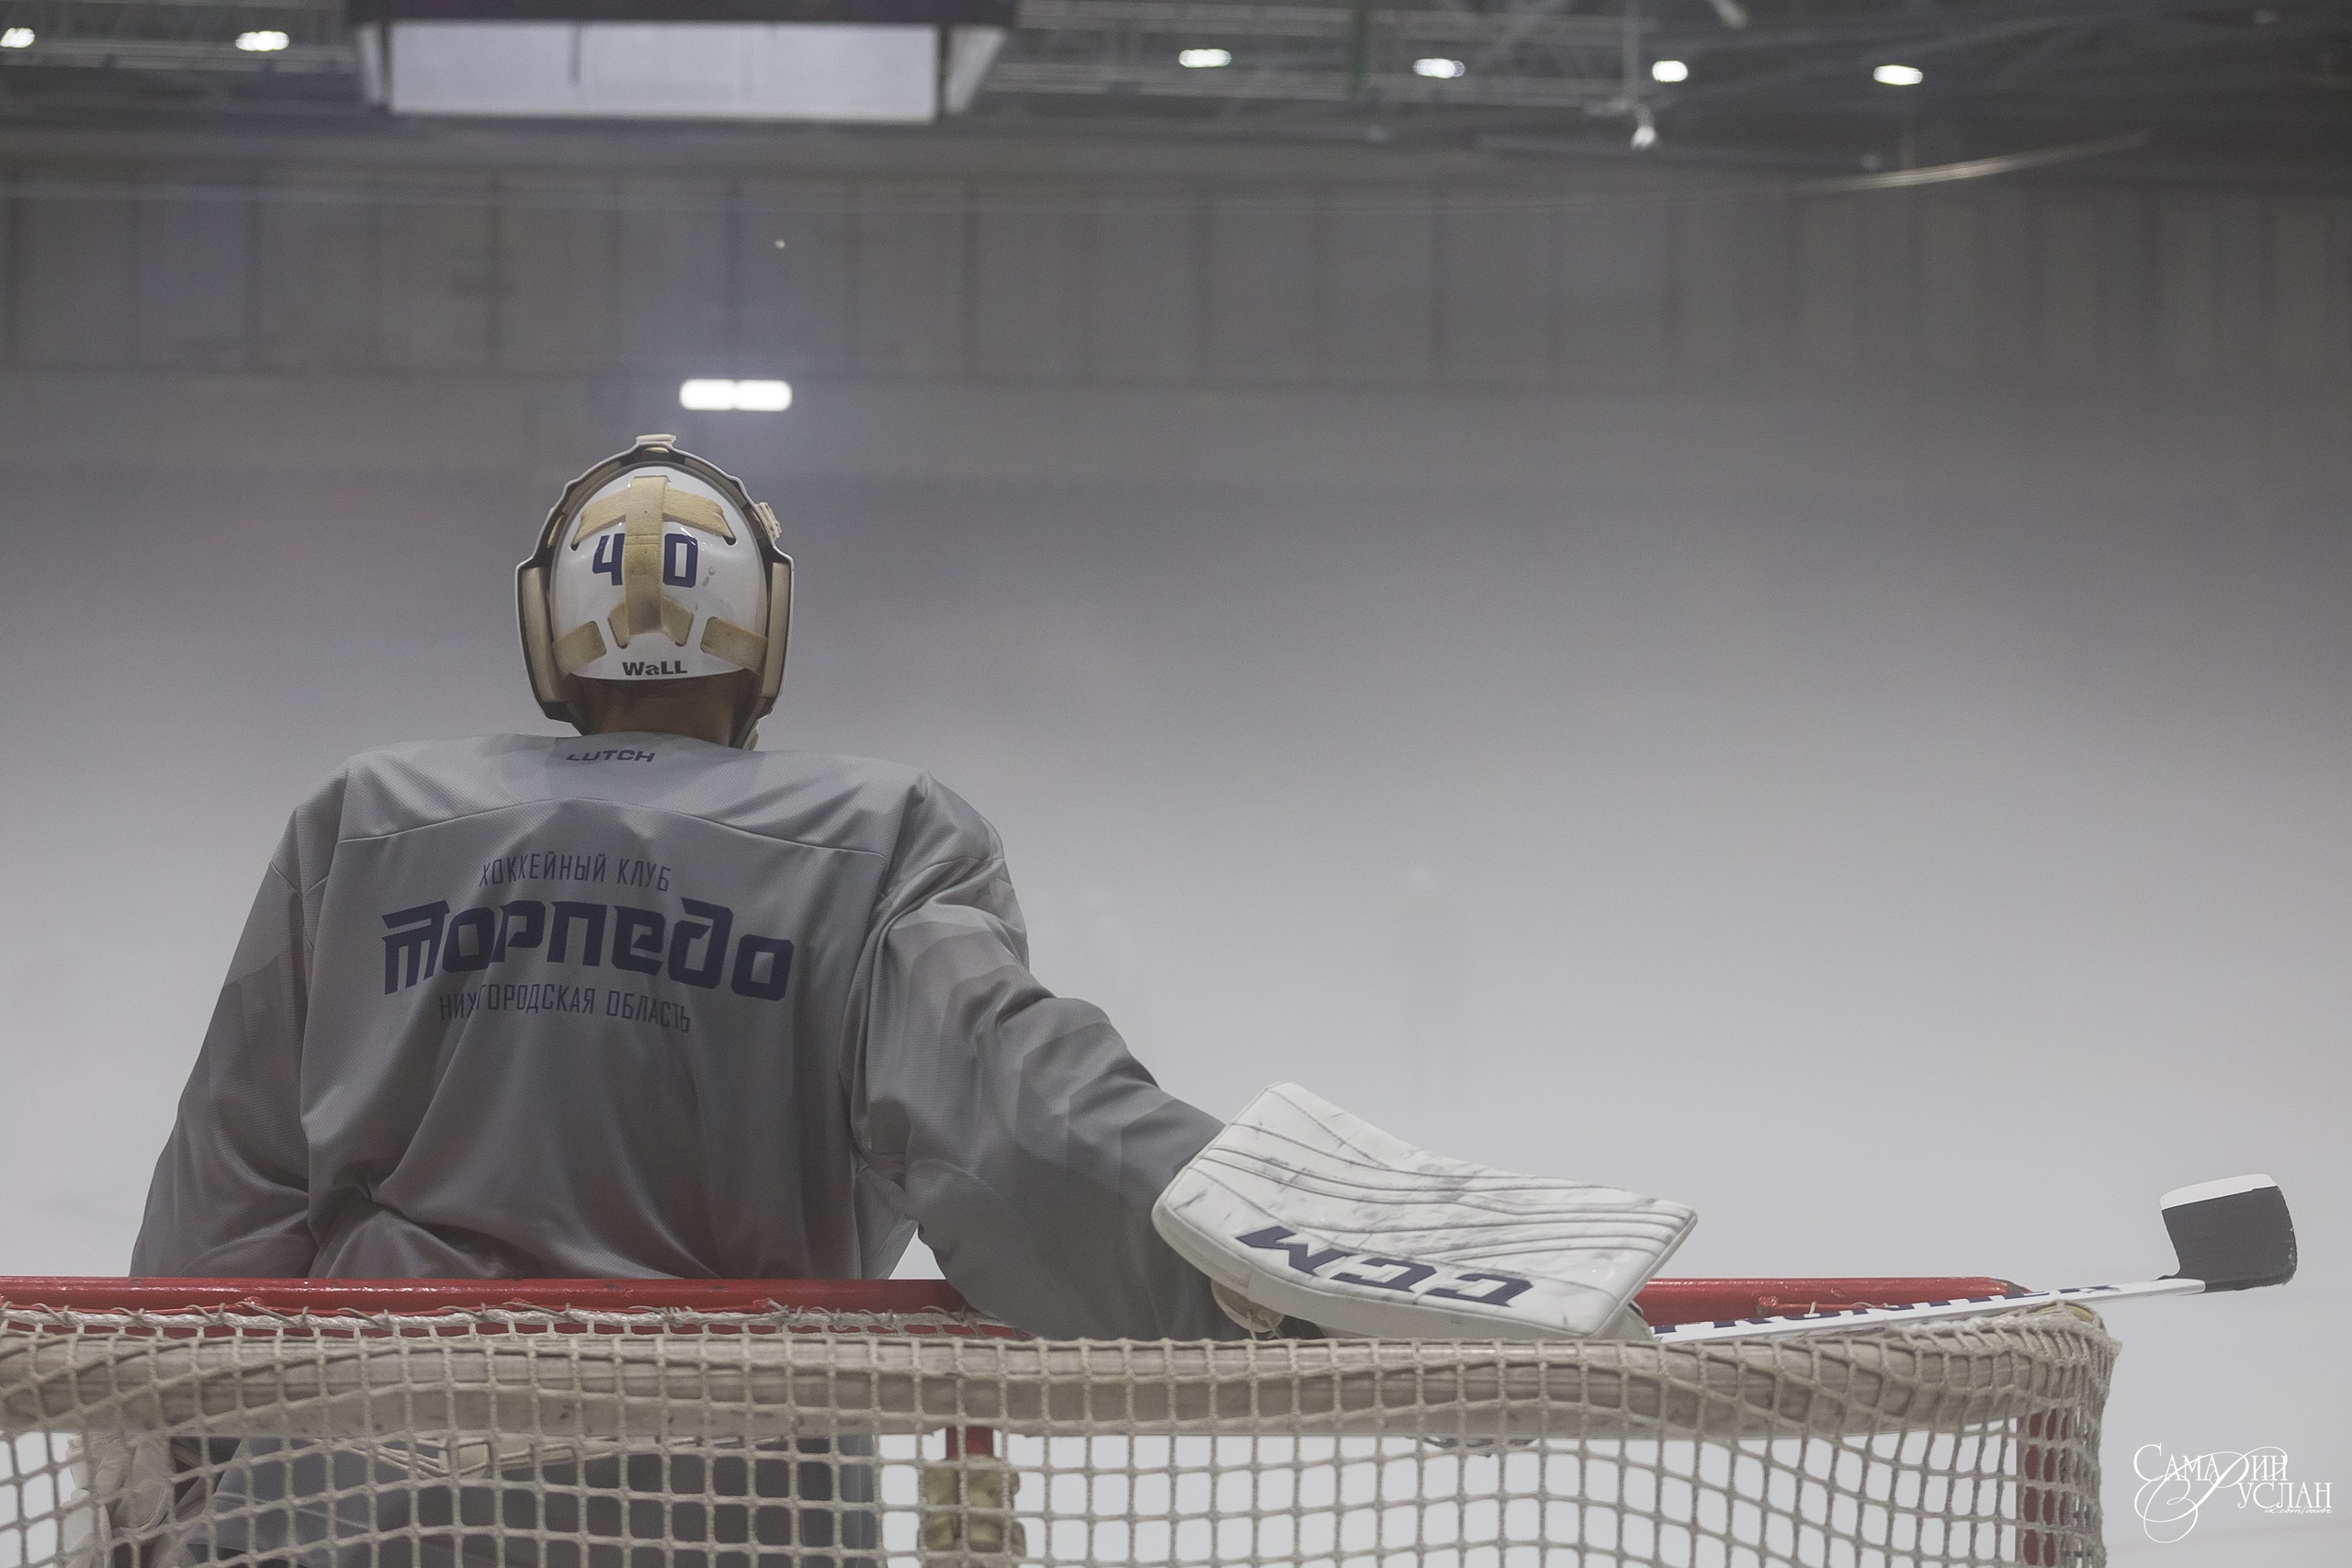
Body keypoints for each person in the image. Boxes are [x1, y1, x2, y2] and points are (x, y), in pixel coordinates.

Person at [131, 433, 1233, 1345]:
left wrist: (166, 1480)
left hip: (374, 1467)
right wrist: (1250, 1236)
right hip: (730, 1483)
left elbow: (229, 1195)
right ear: (765, 640)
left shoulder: (365, 825)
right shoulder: (879, 844)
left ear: (549, 642)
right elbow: (1019, 1119)